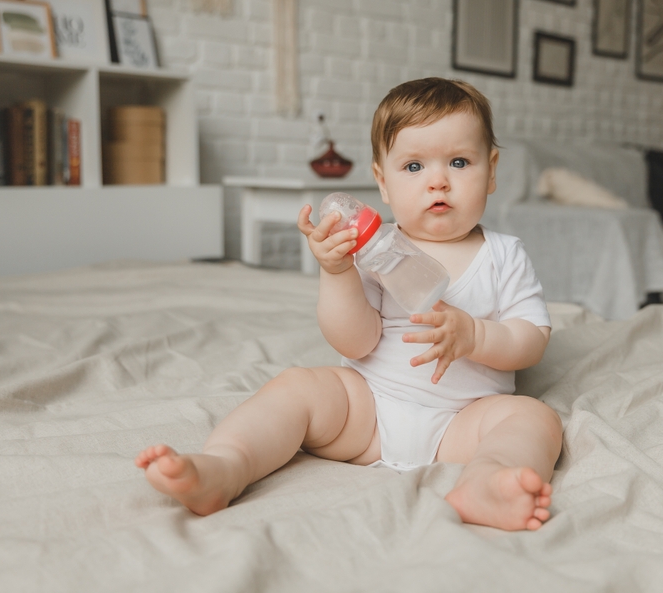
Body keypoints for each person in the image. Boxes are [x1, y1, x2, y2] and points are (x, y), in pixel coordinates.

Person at [136, 78, 562, 531]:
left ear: (491, 171)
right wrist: (338, 273)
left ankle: (486, 481)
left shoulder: (504, 255)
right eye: (414, 166)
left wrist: (476, 335)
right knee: (297, 387)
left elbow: (531, 338)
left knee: (534, 419)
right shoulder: (380, 250)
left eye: (459, 162)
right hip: (370, 412)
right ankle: (224, 465)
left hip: (463, 422)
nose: (438, 180)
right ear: (382, 181)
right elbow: (355, 341)